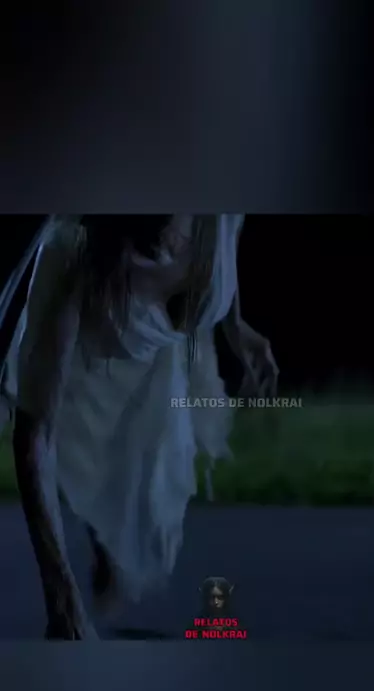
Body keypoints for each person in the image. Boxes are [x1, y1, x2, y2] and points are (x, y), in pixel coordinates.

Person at [2, 214, 278, 639]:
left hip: (162, 355)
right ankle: (98, 526)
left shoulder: (221, 212)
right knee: (86, 455)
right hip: (91, 358)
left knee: (150, 474)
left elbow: (228, 238)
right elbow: (35, 435)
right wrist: (63, 603)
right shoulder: (72, 250)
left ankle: (110, 530)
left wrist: (235, 325)